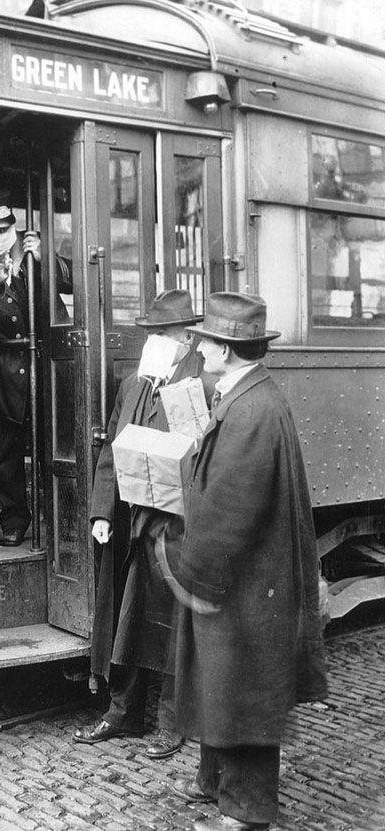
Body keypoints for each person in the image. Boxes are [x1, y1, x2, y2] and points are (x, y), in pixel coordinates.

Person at [165, 292, 328, 831]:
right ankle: (216, 785)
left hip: (244, 583)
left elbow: (231, 506)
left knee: (245, 693)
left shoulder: (250, 407)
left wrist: (191, 568)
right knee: (226, 684)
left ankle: (245, 812)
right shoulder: (249, 394)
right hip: (248, 579)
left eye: (206, 339)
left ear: (228, 350)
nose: (198, 345)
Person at [74, 290, 212, 758]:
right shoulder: (135, 384)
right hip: (132, 524)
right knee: (128, 619)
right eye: (150, 332)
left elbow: (208, 460)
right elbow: (112, 450)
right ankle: (122, 711)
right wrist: (100, 511)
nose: (152, 340)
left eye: (162, 332)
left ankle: (174, 721)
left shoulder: (202, 386)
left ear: (187, 338)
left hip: (177, 526)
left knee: (176, 621)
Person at [0, 188, 70, 546]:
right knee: (7, 451)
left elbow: (73, 281)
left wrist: (46, 260)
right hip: (5, 368)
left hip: (48, 365)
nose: (6, 237)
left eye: (9, 230)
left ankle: (63, 517)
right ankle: (15, 520)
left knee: (57, 443)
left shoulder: (29, 249)